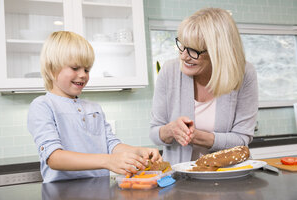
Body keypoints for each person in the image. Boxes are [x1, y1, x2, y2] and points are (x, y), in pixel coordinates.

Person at [27, 31, 162, 183]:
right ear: (52, 69)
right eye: (75, 68)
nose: (83, 75)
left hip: (100, 190)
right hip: (62, 193)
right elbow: (54, 157)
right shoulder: (43, 106)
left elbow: (111, 145)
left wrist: (138, 151)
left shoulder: (94, 108)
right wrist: (107, 161)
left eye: (86, 69)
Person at [150, 8, 258, 165]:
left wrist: (196, 136)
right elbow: (154, 133)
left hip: (229, 177)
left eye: (193, 50)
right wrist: (171, 130)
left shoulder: (244, 73)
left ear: (218, 52)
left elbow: (241, 140)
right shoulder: (169, 71)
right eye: (182, 45)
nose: (184, 55)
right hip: (179, 178)